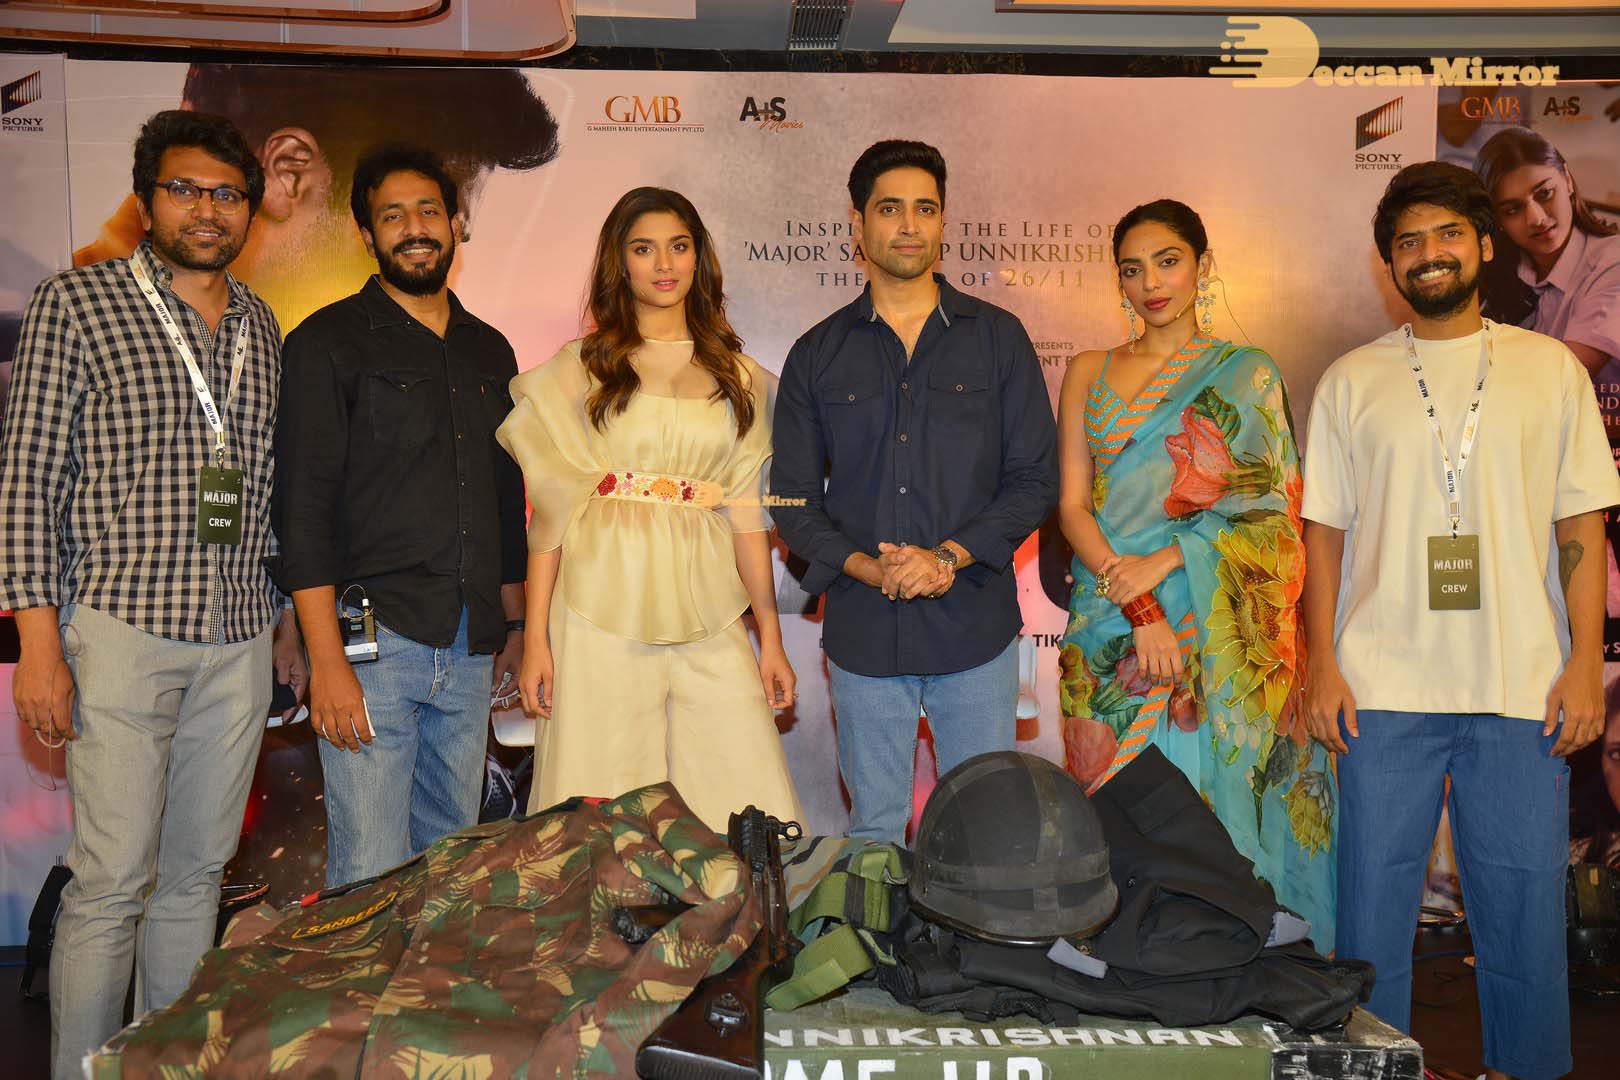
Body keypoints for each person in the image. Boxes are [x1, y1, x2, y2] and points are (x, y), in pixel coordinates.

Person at [1302, 161, 1619, 1080]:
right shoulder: (1351, 381)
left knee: (1522, 904)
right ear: (1390, 265)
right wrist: (1322, 665)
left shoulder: (1549, 370)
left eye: (1447, 234)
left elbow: (1582, 525)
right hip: (1380, 685)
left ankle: (1527, 1066)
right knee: (1370, 907)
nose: (1428, 253)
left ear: (1484, 246)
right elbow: (1324, 537)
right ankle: (1374, 1068)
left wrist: (1583, 664)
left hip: (1522, 682)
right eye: (1408, 242)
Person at [0, 110, 299, 1078]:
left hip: (237, 635)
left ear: (249, 208)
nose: (206, 210)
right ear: (145, 199)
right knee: (111, 882)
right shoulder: (76, 303)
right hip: (121, 628)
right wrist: (38, 645)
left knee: (196, 879)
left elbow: (262, 486)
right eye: (184, 190)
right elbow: (27, 482)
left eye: (227, 194)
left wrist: (283, 623)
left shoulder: (261, 324)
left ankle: (165, 1068)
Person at [1054, 199, 1337, 950]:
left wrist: (1172, 559)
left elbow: (1274, 514)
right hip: (1109, 620)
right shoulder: (1088, 370)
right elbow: (1073, 507)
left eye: (1168, 261)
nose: (1151, 283)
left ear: (1202, 266)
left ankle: (1227, 957)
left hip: (1211, 620)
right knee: (1116, 816)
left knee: (1212, 809)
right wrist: (1140, 606)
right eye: (1133, 269)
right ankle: (1133, 965)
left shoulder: (1246, 373)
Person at [771, 140, 1057, 843]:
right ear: (857, 222)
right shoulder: (817, 353)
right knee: (873, 833)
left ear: (943, 221)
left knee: (982, 831)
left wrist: (946, 558)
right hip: (865, 631)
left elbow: (1034, 480)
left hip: (975, 628)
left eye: (925, 209)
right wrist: (871, 569)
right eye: (889, 208)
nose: (908, 225)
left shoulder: (998, 338)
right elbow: (792, 503)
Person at [496, 187, 802, 828]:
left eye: (679, 246)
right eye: (644, 248)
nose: (664, 263)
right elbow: (549, 516)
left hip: (709, 602)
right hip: (596, 603)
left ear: (699, 258)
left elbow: (747, 517)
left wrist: (770, 639)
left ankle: (731, 895)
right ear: (620, 262)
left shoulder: (742, 379)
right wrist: (536, 640)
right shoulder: (580, 370)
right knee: (599, 793)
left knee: (736, 784)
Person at [273, 145, 527, 887]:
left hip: (472, 645)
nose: (414, 228)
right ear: (367, 234)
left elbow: (505, 501)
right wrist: (326, 661)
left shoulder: (490, 350)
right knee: (370, 870)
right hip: (370, 646)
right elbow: (303, 513)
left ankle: (428, 972)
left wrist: (513, 628)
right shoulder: (325, 343)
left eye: (428, 211)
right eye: (392, 216)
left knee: (451, 868)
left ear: (455, 223)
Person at [74, 65, 560, 331]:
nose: (441, 247)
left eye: (440, 217)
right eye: (395, 215)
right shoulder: (79, 312)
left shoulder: (257, 324)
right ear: (288, 173)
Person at [1474, 127, 1620, 381]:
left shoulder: (1613, 261)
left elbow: (1563, 380)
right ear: (1497, 220)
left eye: (1544, 194)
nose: (1536, 218)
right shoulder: (1502, 274)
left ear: (1568, 181)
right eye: (1512, 209)